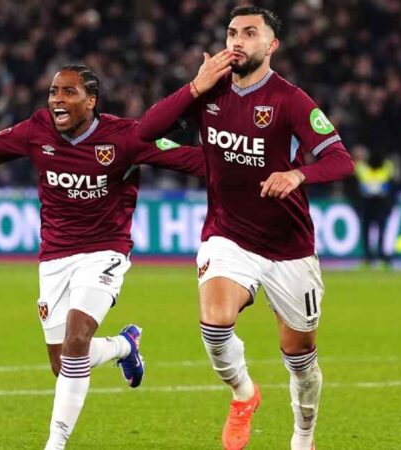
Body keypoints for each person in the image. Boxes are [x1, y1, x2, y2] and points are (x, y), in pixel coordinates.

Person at [0, 64, 205, 449]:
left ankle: (55, 443)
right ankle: (124, 346)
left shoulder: (126, 137)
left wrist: (250, 174)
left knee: (77, 338)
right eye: (53, 92)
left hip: (104, 251)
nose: (56, 100)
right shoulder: (37, 130)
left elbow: (190, 160)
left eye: (68, 92)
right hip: (55, 257)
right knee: (63, 364)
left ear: (91, 101)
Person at [137, 6, 354, 450]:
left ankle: (303, 436)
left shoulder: (291, 100)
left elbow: (340, 159)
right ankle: (244, 394)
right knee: (215, 321)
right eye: (232, 32)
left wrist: (298, 175)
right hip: (228, 235)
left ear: (271, 45)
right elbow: (147, 131)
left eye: (249, 33)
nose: (237, 41)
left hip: (289, 248)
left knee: (299, 358)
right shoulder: (209, 91)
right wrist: (195, 86)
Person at [353, 147, 397, 268]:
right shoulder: (363, 167)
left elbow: (392, 187)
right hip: (371, 204)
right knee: (374, 230)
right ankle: (371, 256)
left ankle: (374, 255)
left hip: (376, 204)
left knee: (375, 230)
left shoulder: (363, 167)